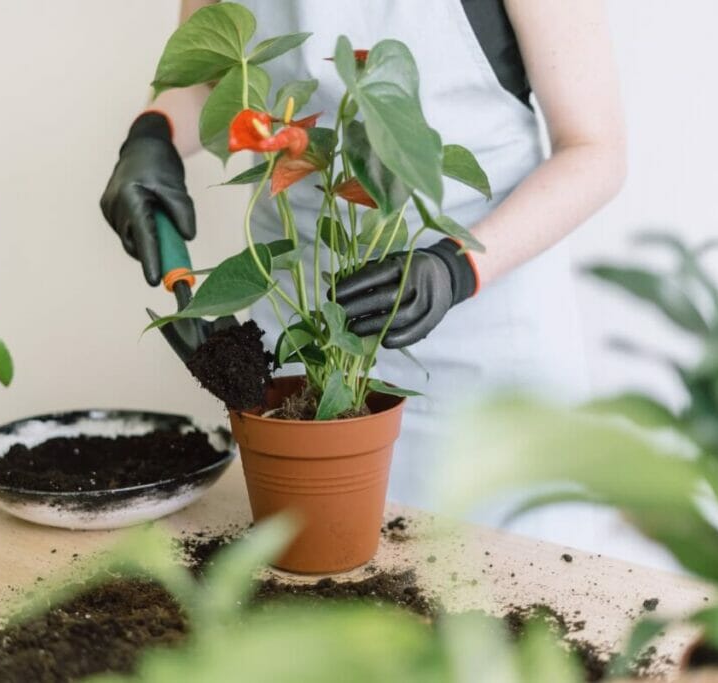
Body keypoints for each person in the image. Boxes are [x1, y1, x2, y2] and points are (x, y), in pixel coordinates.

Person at [101, 0, 628, 553]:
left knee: (506, 589)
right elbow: (209, 73)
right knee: (312, 581)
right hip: (302, 310)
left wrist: (457, 267)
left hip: (481, 322)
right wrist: (152, 135)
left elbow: (595, 150)